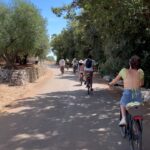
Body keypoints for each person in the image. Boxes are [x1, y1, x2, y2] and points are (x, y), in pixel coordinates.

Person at [109, 55, 144, 126]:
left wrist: (110, 84)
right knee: (136, 105)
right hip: (137, 94)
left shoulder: (124, 71)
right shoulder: (141, 72)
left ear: (130, 63)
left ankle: (124, 119)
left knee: (122, 103)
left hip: (127, 93)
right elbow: (141, 84)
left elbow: (115, 81)